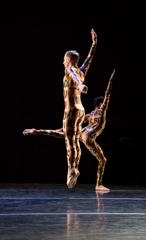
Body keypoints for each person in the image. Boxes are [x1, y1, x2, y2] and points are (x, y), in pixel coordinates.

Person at [24, 70, 115, 192]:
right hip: (89, 137)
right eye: (103, 103)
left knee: (63, 132)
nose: (105, 105)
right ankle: (98, 185)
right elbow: (108, 93)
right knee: (103, 160)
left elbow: (74, 125)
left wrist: (62, 129)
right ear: (100, 104)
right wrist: (111, 80)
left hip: (82, 133)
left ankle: (36, 131)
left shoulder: (89, 115)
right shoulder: (102, 111)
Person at [61, 28, 97, 189]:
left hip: (71, 112)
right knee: (75, 141)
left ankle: (72, 169)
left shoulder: (70, 71)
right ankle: (74, 168)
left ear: (69, 60)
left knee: (70, 142)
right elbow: (89, 59)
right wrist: (94, 44)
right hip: (80, 110)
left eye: (64, 59)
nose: (62, 61)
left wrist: (81, 85)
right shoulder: (81, 70)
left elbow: (74, 76)